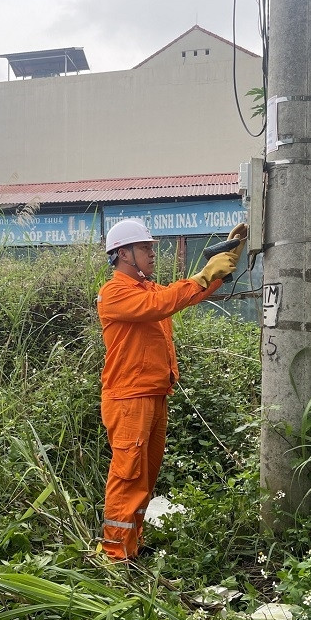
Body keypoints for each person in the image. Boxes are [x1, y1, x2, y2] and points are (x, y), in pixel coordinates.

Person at [97, 218, 247, 560]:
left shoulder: (147, 289)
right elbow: (165, 303)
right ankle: (115, 556)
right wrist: (206, 273)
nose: (153, 253)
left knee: (145, 477)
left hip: (152, 395)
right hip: (128, 399)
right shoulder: (115, 293)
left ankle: (131, 546)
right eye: (146, 248)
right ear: (123, 253)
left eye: (151, 247)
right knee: (128, 476)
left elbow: (179, 296)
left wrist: (225, 264)